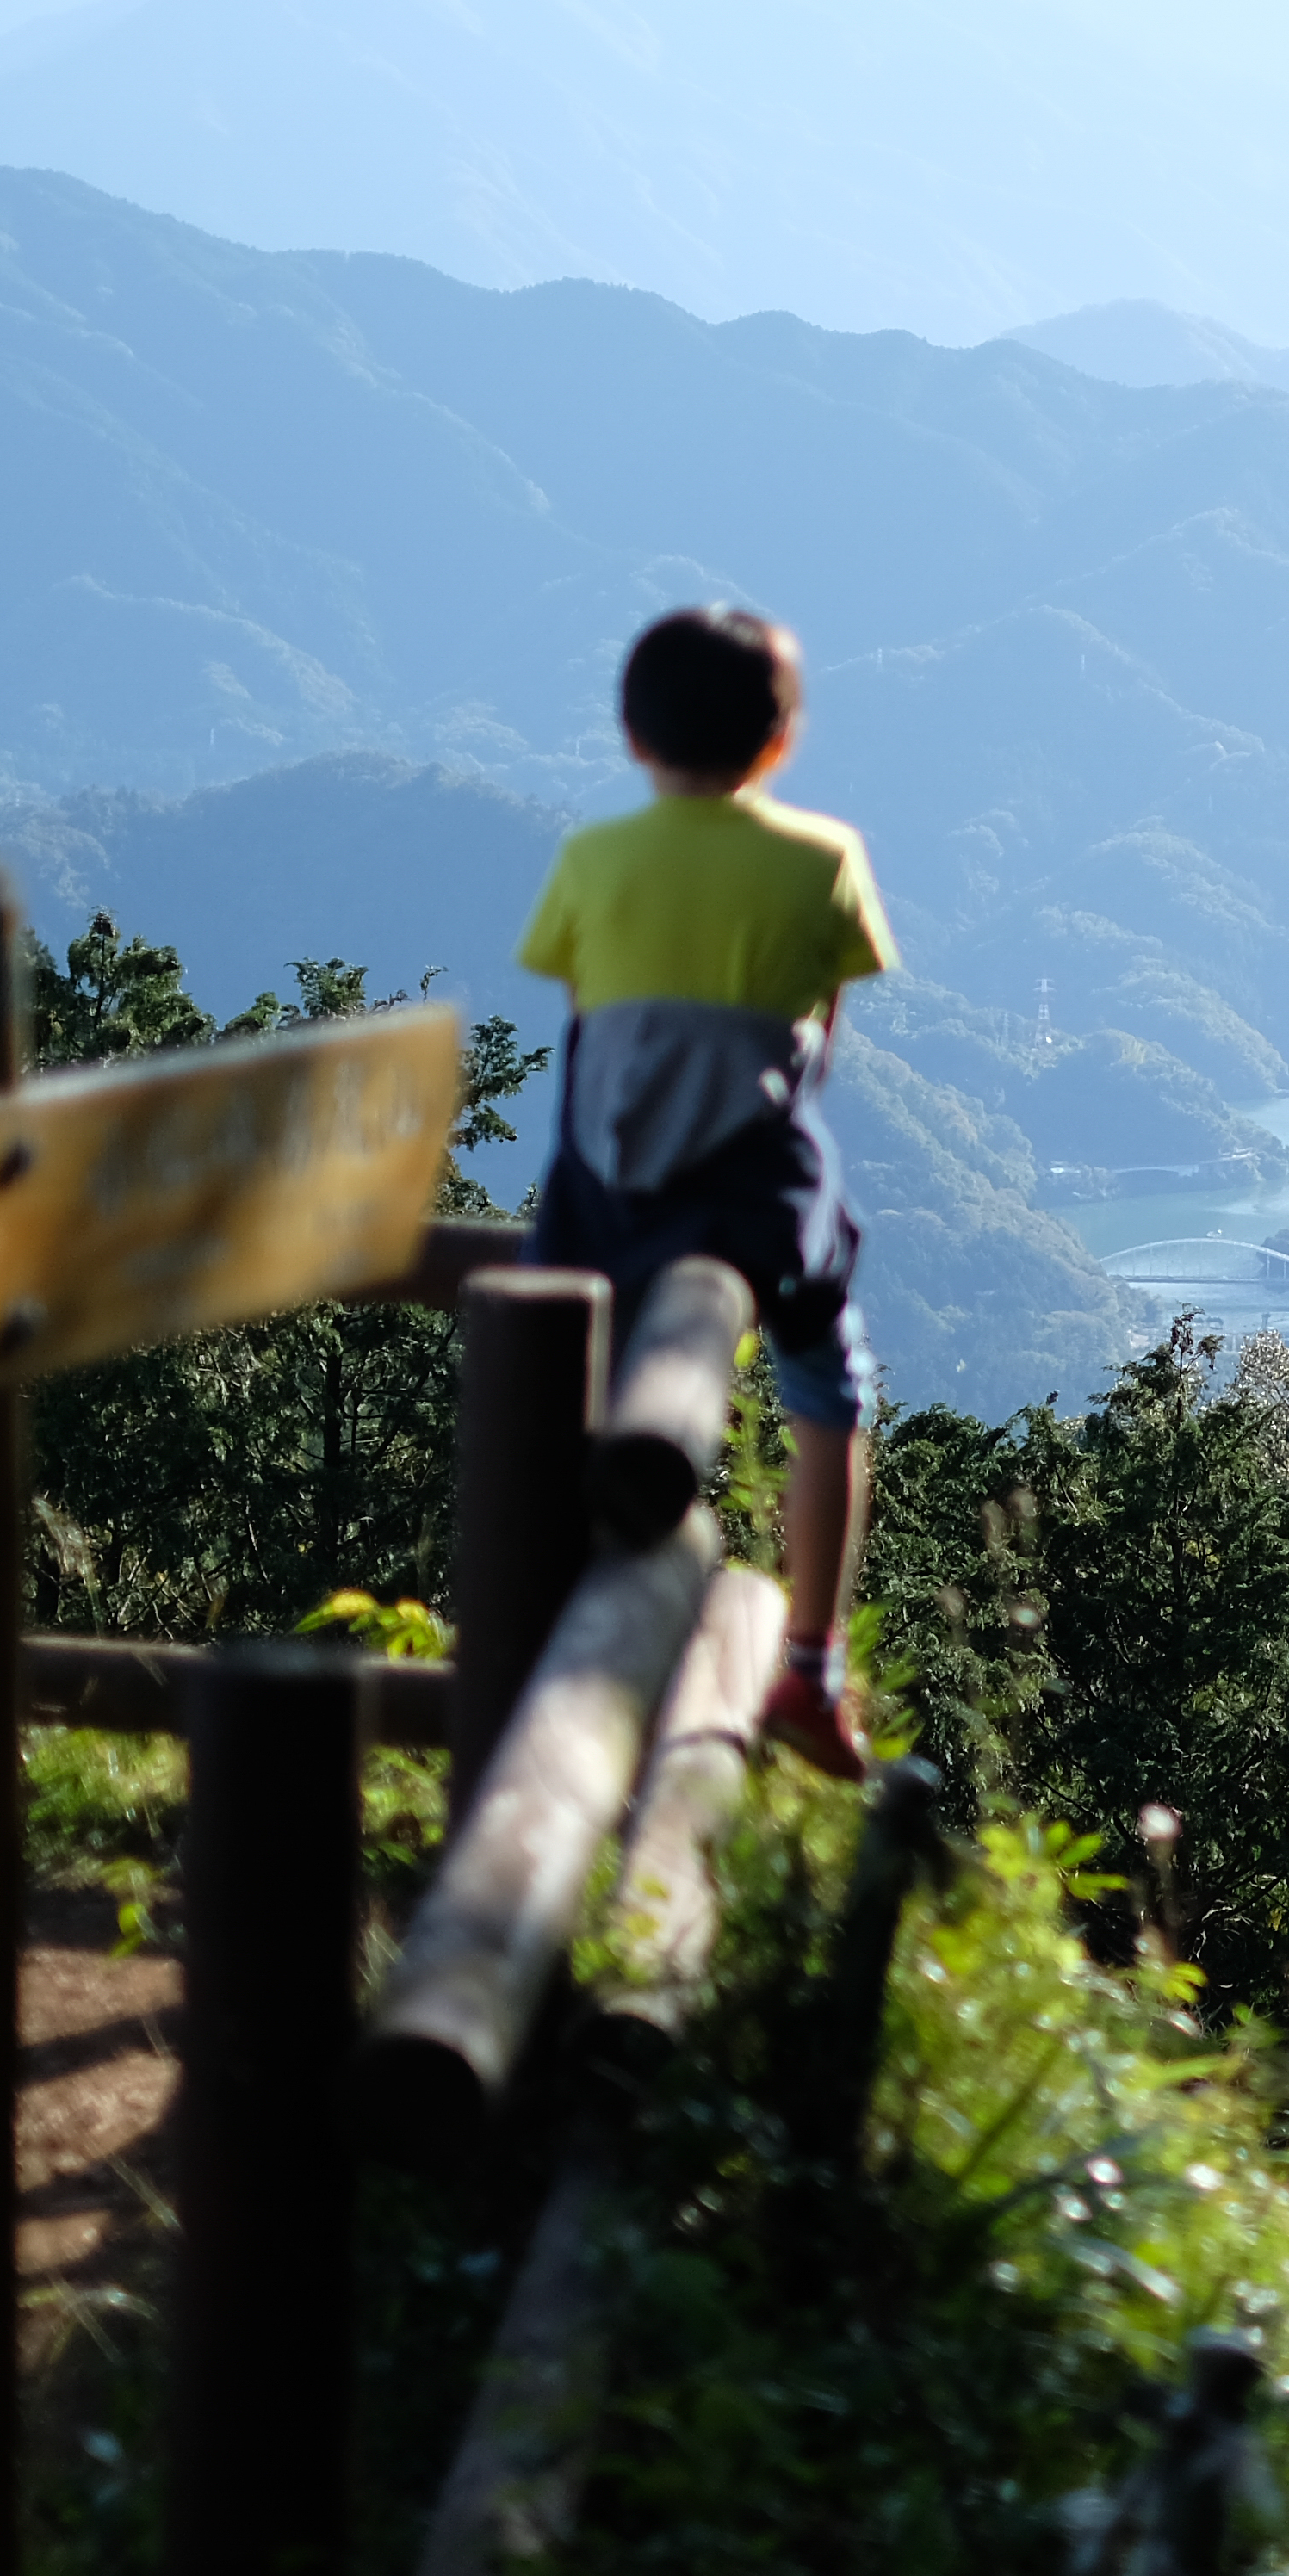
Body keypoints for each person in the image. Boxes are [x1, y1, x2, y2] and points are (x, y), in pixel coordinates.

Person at [516, 604, 898, 1778]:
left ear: (632, 734)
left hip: (602, 1191)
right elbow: (818, 1038)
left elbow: (586, 1021)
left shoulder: (591, 860)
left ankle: (547, 1632)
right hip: (754, 1195)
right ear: (780, 738)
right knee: (831, 1387)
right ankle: (809, 1664)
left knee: (568, 1387)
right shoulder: (823, 860)